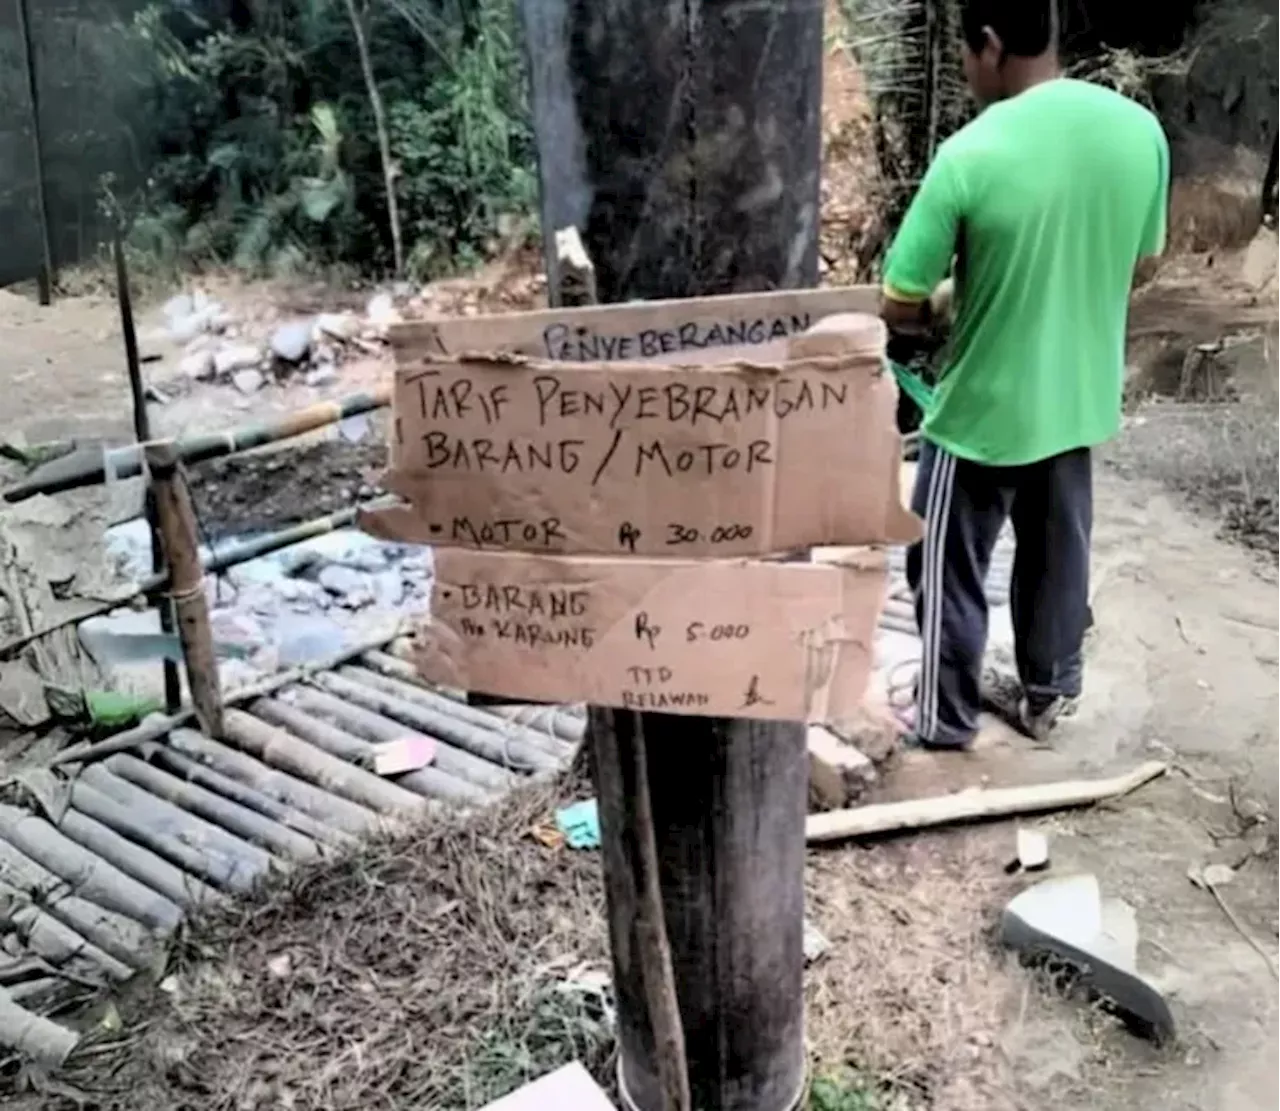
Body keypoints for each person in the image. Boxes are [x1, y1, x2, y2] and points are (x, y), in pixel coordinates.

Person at [878, 0, 1169, 749]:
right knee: (1054, 555)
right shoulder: (1139, 132)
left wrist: (946, 304)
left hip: (982, 409)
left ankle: (943, 719)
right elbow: (1143, 261)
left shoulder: (971, 154)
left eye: (970, 55)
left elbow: (900, 299)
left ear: (991, 45)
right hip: (1078, 398)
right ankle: (1047, 693)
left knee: (942, 562)